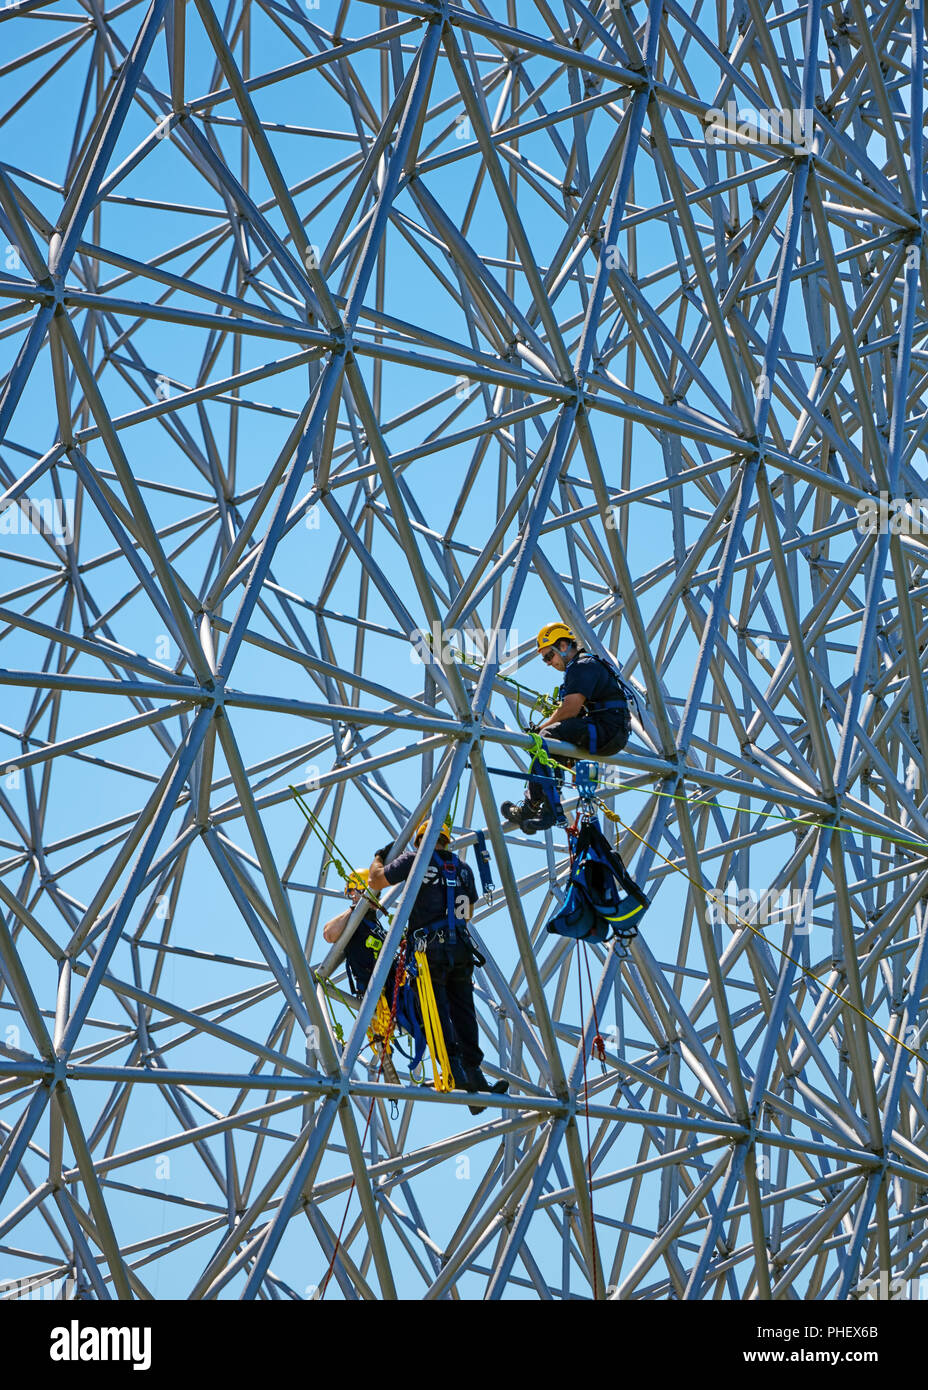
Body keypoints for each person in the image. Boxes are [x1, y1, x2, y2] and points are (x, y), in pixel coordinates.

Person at [367, 818, 508, 1115]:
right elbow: (467, 911)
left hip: (429, 951)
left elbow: (376, 881)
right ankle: (475, 1076)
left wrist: (379, 857)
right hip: (461, 951)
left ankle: (455, 1069)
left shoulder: (415, 861)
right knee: (464, 1012)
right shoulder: (463, 870)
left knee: (437, 1012)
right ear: (447, 840)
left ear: (420, 840)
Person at [502, 623, 633, 833]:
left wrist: (540, 730)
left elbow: (570, 709)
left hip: (607, 731)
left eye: (548, 656)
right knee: (552, 742)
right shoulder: (582, 668)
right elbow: (576, 716)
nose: (548, 663)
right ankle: (537, 805)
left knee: (546, 737)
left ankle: (542, 809)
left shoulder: (582, 666)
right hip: (607, 731)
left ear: (563, 646)